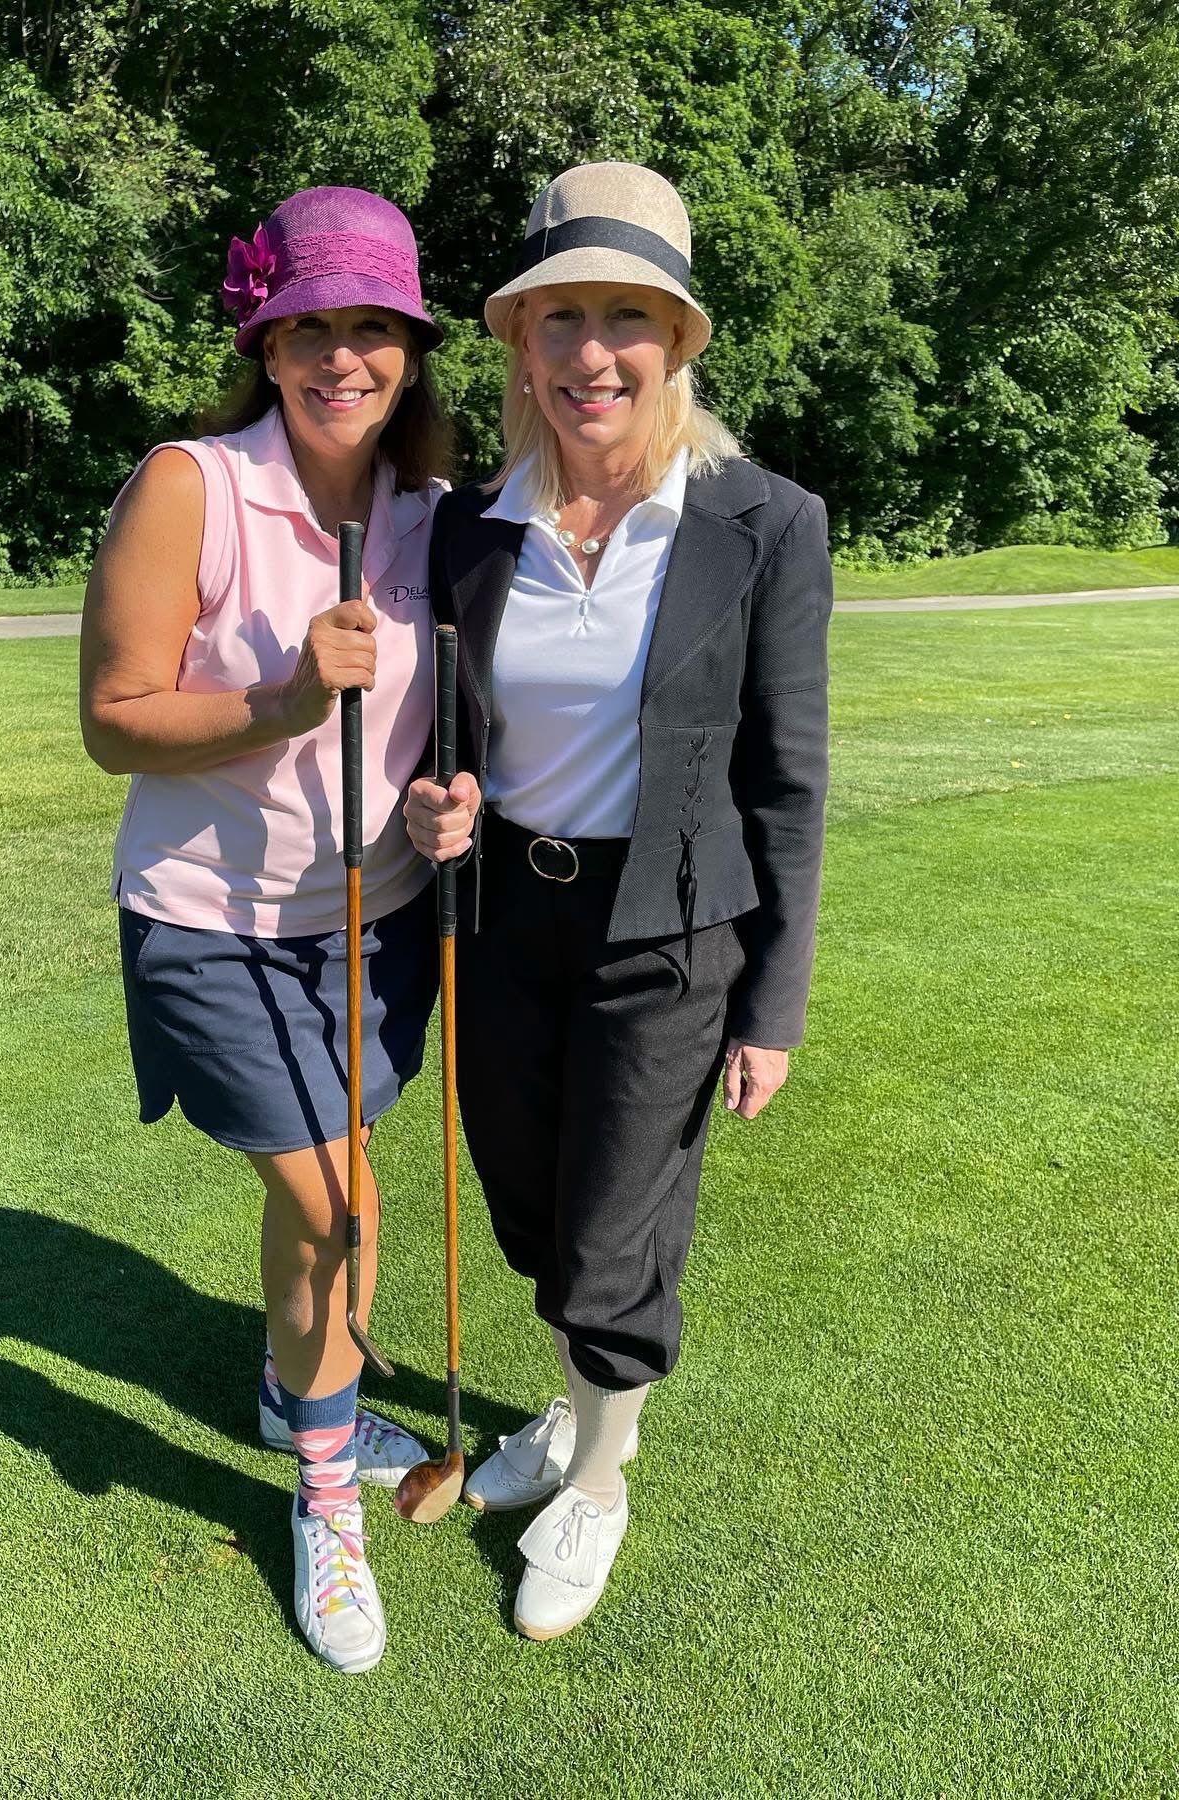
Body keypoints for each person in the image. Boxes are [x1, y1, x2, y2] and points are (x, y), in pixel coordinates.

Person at [405, 162, 833, 1640]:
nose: (595, 352)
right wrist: (441, 798)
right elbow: (450, 734)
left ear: (677, 339)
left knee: (611, 1230)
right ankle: (577, 1406)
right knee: (529, 1198)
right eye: (563, 316)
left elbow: (789, 780)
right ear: (521, 343)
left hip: (670, 935)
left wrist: (772, 1006)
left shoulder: (763, 522)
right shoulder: (471, 526)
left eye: (628, 317)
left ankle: (603, 1472)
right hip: (507, 921)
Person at [81, 186, 450, 1674]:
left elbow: (449, 718)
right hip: (213, 924)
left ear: (412, 349)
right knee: (342, 1203)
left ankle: (291, 1382)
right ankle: (321, 1493)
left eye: (374, 326)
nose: (342, 356)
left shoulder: (434, 513)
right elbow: (115, 723)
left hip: (375, 923)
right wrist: (289, 701)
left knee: (321, 1207)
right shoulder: (191, 484)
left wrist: (448, 800)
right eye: (312, 326)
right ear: (266, 337)